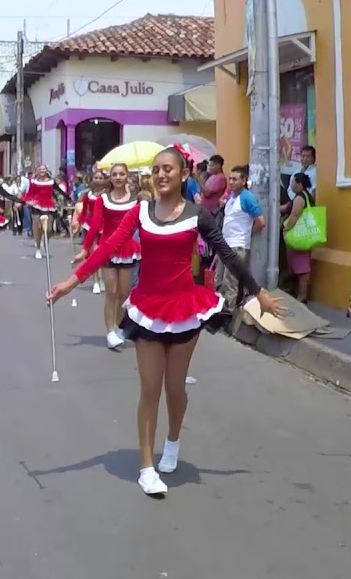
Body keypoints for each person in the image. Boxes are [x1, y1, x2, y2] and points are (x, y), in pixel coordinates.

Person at [46, 147, 284, 497]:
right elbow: (108, 246)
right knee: (150, 389)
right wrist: (72, 281)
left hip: (185, 307)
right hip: (147, 308)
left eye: (168, 169)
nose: (160, 175)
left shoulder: (198, 215)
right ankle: (146, 467)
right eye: (156, 169)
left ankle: (172, 441)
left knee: (175, 388)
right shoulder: (140, 211)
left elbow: (227, 255)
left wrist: (258, 292)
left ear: (183, 173)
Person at [72, 163, 140, 349]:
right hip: (108, 248)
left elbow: (143, 226)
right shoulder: (103, 200)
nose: (118, 177)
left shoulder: (136, 201)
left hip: (127, 249)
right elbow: (95, 226)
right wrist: (85, 250)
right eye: (115, 174)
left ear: (127, 177)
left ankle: (118, 328)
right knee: (111, 292)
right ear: (110, 177)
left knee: (124, 294)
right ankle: (110, 331)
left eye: (122, 174)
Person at [218, 165, 265, 311]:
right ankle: (221, 312)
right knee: (221, 281)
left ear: (244, 181)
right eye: (230, 179)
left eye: (235, 179)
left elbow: (261, 222)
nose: (231, 182)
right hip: (225, 244)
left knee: (231, 283)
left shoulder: (246, 197)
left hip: (237, 246)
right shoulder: (232, 198)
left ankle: (229, 317)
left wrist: (247, 233)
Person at [72, 170, 109, 295]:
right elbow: (84, 211)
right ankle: (96, 282)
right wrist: (79, 222)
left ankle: (102, 279)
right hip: (91, 226)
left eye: (100, 178)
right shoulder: (88, 195)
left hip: (106, 227)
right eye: (96, 177)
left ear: (105, 180)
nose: (98, 180)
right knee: (94, 254)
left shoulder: (109, 195)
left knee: (104, 255)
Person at [22, 166, 68, 260]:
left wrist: (67, 199)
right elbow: (30, 193)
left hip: (48, 205)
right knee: (37, 228)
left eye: (43, 169)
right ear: (37, 172)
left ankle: (46, 242)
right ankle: (38, 248)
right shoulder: (33, 181)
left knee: (49, 229)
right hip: (36, 205)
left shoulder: (51, 181)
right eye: (40, 170)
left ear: (47, 171)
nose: (42, 171)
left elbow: (57, 192)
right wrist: (28, 201)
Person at [282, 172, 314, 302]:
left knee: (302, 268)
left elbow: (294, 215)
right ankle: (299, 293)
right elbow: (287, 207)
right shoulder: (302, 196)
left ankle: (302, 295)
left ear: (299, 184)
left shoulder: (300, 198)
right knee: (297, 266)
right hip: (301, 235)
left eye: (293, 182)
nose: (291, 185)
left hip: (300, 235)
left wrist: (286, 228)